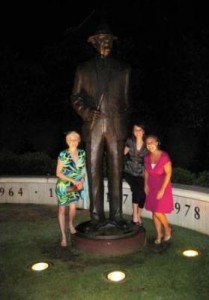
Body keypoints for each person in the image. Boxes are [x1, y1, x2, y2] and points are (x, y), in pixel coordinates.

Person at [71, 24, 131, 228]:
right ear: (94, 43)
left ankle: (117, 216)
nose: (106, 42)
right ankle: (96, 216)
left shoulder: (124, 69)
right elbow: (75, 97)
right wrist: (87, 112)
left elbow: (126, 101)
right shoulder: (83, 68)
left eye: (109, 39)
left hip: (116, 127)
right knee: (94, 172)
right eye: (101, 39)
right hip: (93, 126)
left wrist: (126, 130)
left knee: (116, 172)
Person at [55, 131, 87, 247]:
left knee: (73, 207)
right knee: (62, 210)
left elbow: (83, 170)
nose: (73, 142)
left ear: (78, 141)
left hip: (76, 186)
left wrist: (82, 181)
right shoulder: (63, 154)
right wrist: (73, 180)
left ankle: (71, 224)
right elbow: (58, 173)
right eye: (70, 139)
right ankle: (63, 235)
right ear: (67, 141)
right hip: (63, 186)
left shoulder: (83, 153)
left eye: (75, 139)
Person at [144, 134, 174, 245]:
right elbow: (146, 171)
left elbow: (169, 173)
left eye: (152, 142)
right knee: (154, 211)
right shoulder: (147, 157)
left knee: (158, 211)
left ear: (157, 142)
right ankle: (159, 235)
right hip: (151, 186)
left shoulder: (164, 156)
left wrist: (162, 189)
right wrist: (145, 184)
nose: (149, 145)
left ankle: (167, 229)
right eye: (147, 143)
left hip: (162, 185)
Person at [123, 122, 147, 226]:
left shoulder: (147, 144)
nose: (138, 132)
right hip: (129, 171)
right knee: (136, 190)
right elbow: (122, 153)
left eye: (140, 129)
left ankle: (138, 214)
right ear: (133, 131)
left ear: (143, 131)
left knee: (144, 194)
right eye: (135, 130)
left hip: (142, 172)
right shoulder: (130, 141)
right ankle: (134, 217)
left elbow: (150, 160)